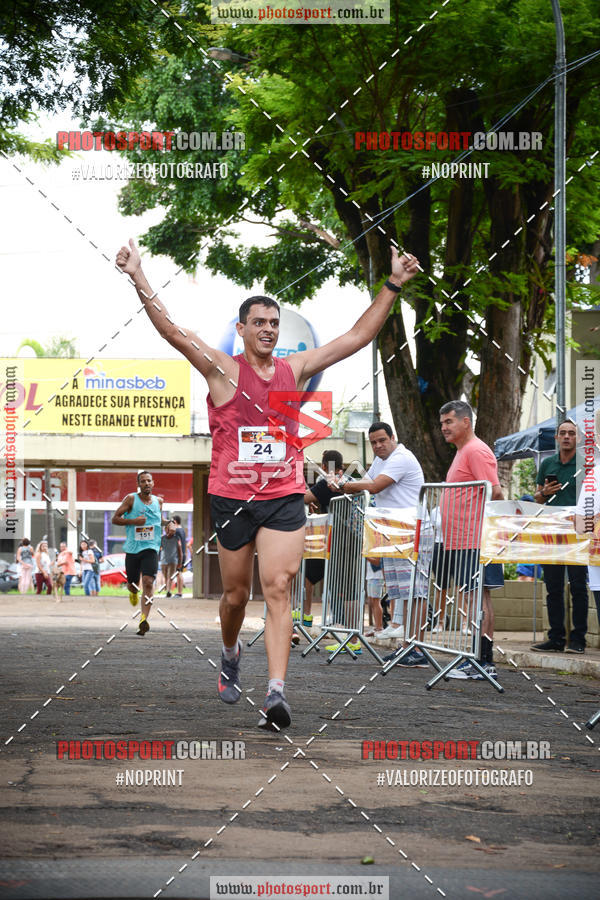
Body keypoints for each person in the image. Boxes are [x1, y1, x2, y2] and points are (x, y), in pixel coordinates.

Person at [116, 237, 419, 729]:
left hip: (281, 495)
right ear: (241, 329)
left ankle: (276, 693)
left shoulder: (293, 370)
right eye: (259, 322)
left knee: (278, 586)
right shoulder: (221, 370)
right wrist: (138, 275)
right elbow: (172, 330)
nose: (268, 330)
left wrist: (393, 284)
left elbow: (355, 338)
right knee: (236, 596)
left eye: (274, 323)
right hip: (232, 495)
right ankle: (231, 651)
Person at [339, 422, 427, 666]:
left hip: (412, 531)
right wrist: (344, 483)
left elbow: (374, 486)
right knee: (403, 593)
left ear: (393, 438)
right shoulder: (380, 460)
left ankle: (417, 648)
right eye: (374, 442)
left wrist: (343, 483)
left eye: (382, 440)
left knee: (415, 593)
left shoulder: (401, 457)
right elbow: (365, 483)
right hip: (394, 533)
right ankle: (408, 646)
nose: (378, 446)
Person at [437, 400, 504, 681]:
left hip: (473, 538)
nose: (443, 428)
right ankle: (479, 660)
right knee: (475, 596)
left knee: (477, 596)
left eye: (449, 422)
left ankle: (483, 661)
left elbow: (496, 492)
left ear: (466, 422)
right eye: (441, 423)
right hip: (462, 539)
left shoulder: (476, 450)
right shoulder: (464, 451)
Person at [531, 418, 587, 653]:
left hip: (577, 533)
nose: (566, 437)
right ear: (556, 438)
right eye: (562, 433)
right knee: (552, 586)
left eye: (571, 433)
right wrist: (543, 492)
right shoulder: (548, 464)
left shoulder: (586, 465)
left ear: (578, 438)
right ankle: (555, 638)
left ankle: (578, 640)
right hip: (551, 531)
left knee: (578, 586)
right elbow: (537, 497)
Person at [111, 471, 176, 635]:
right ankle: (132, 591)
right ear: (139, 484)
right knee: (133, 585)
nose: (146, 483)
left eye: (149, 481)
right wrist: (133, 521)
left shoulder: (158, 501)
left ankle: (143, 619)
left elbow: (159, 519)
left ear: (153, 483)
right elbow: (115, 518)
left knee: (148, 581)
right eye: (143, 481)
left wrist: (169, 523)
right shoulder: (131, 499)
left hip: (152, 547)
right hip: (133, 549)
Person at [302, 450, 345, 632]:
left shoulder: (326, 483)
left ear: (325, 467)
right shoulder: (349, 480)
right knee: (338, 581)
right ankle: (339, 622)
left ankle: (306, 618)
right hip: (346, 538)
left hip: (333, 540)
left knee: (309, 577)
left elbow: (303, 497)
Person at [160, 524, 183, 598]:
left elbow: (180, 552)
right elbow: (158, 548)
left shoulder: (176, 539)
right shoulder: (162, 538)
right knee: (166, 577)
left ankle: (168, 591)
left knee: (170, 577)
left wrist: (180, 563)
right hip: (163, 561)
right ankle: (168, 590)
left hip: (173, 561)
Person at [172, 515, 187, 597]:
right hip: (183, 554)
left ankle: (179, 592)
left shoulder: (177, 531)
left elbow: (178, 544)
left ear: (175, 521)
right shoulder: (182, 530)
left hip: (179, 555)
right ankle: (179, 591)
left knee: (178, 573)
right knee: (179, 572)